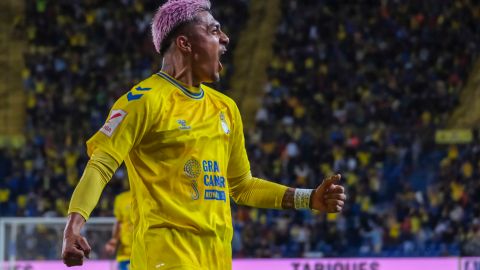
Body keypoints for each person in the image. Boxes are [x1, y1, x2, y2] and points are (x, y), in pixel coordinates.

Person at [61, 0, 347, 269]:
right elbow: (100, 165)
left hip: (217, 258)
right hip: (166, 258)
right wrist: (72, 228)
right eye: (213, 30)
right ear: (184, 43)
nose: (225, 39)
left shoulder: (225, 108)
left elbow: (243, 186)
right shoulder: (143, 101)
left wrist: (308, 198)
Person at [104, 190, 132, 270]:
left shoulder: (150, 195)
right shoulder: (121, 198)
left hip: (147, 252)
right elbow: (119, 222)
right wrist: (114, 240)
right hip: (126, 253)